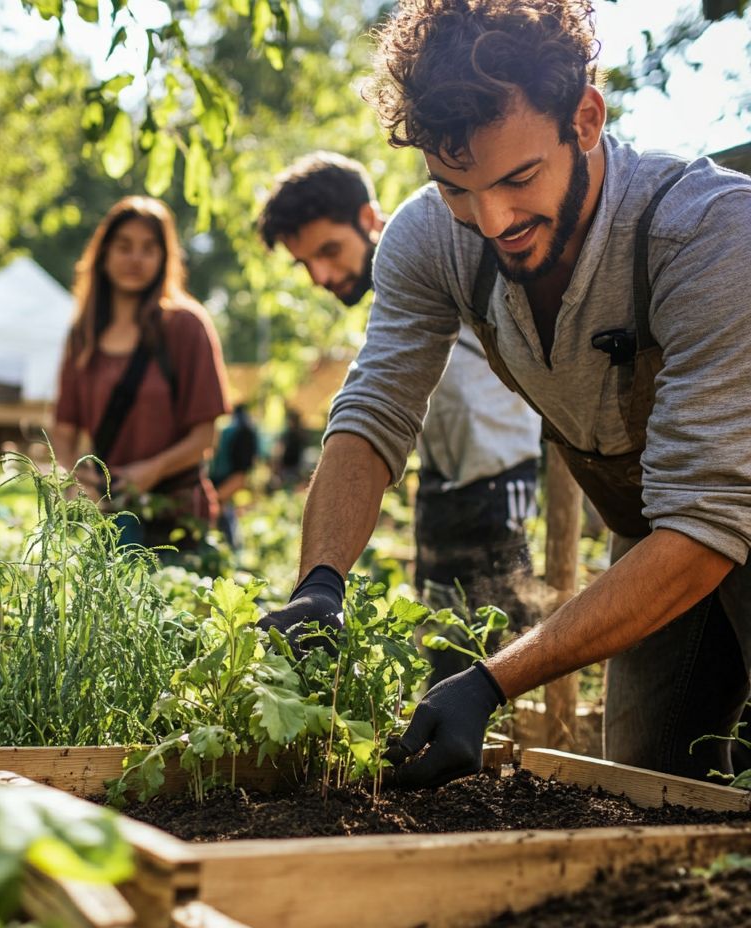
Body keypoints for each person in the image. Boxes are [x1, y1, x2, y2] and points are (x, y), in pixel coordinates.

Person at [259, 0, 751, 788]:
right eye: (456, 187)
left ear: (585, 119)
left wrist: (490, 682)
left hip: (714, 513)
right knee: (647, 781)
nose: (492, 219)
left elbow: (710, 519)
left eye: (519, 178)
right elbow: (375, 411)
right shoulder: (430, 240)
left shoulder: (708, 234)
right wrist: (320, 582)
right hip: (664, 530)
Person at [258, 152, 542, 686]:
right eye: (305, 264)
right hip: (445, 489)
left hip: (496, 484)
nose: (320, 275)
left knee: (490, 656)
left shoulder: (447, 248)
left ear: (369, 219)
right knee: (444, 658)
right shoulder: (395, 298)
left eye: (329, 251)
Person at [52, 196, 229, 551]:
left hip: (178, 519)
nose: (136, 259)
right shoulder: (83, 335)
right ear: (103, 254)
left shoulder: (185, 326)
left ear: (165, 258)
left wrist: (151, 471)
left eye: (149, 248)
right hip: (109, 518)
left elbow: (203, 438)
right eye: (124, 246)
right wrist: (75, 479)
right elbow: (64, 429)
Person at [210, 403, 260, 551]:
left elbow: (240, 477)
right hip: (218, 496)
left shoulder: (237, 431)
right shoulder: (237, 430)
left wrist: (215, 502)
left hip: (220, 496)